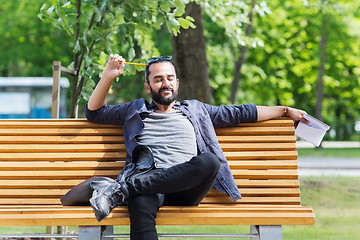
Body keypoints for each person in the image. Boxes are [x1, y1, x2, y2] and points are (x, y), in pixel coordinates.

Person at [79, 54, 307, 240]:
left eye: (170, 78)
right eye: (158, 79)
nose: (165, 83)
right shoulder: (133, 111)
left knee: (209, 161)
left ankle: (124, 190)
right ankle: (131, 189)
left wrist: (285, 110)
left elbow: (240, 113)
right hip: (147, 184)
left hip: (185, 187)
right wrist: (108, 76)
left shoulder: (196, 110)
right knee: (140, 205)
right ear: (148, 87)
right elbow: (94, 112)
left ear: (177, 83)